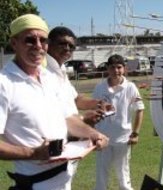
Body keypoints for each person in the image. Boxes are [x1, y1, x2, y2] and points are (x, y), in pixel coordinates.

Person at [0, 14, 109, 190]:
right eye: (29, 40)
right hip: (36, 184)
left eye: (43, 40)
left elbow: (67, 119)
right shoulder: (4, 83)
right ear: (14, 43)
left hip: (64, 180)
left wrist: (93, 134)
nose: (37, 46)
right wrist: (33, 153)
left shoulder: (48, 77)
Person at [93, 54, 145, 190]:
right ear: (107, 69)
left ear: (124, 68)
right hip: (102, 138)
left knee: (123, 173)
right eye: (112, 67)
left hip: (123, 138)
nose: (116, 71)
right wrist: (93, 135)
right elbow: (94, 112)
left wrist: (135, 133)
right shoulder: (100, 88)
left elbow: (140, 110)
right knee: (101, 174)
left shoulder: (130, 87)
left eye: (119, 67)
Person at [47, 26, 105, 124]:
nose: (67, 48)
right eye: (62, 44)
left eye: (71, 46)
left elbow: (75, 99)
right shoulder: (41, 71)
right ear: (49, 44)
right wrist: (82, 119)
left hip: (71, 134)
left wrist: (98, 104)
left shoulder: (61, 69)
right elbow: (48, 113)